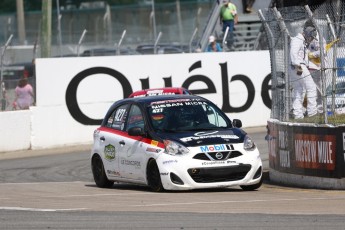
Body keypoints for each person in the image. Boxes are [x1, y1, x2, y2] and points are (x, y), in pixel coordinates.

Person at [289, 26, 318, 119]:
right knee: (311, 87)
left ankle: (298, 115)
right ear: (308, 35)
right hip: (299, 66)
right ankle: (312, 112)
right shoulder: (297, 40)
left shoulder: (301, 41)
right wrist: (297, 65)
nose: (312, 39)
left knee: (299, 89)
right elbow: (293, 53)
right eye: (312, 37)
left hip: (295, 66)